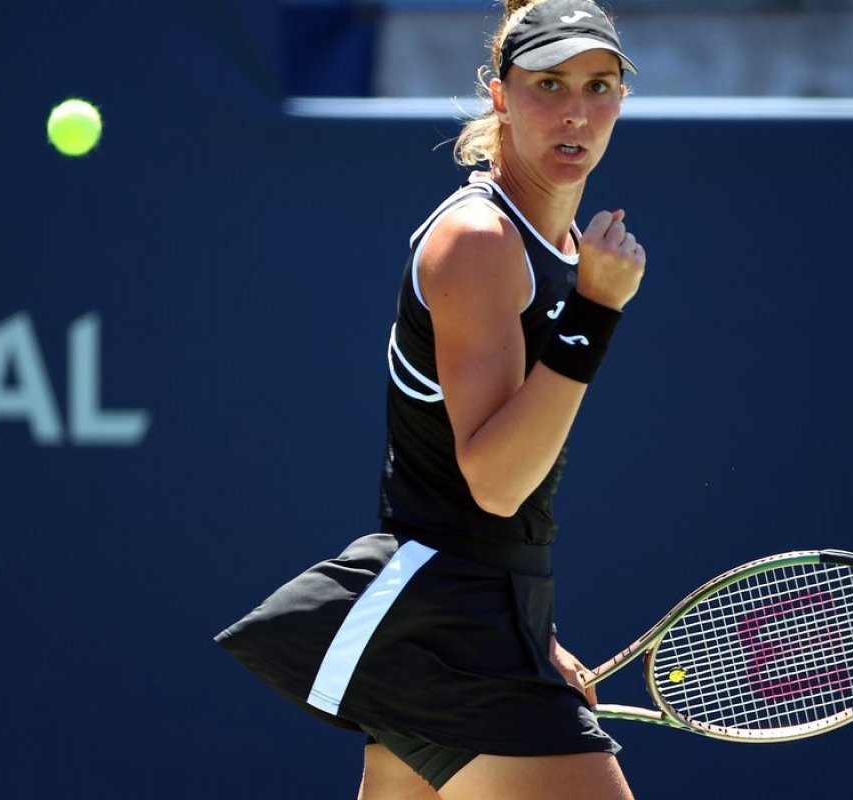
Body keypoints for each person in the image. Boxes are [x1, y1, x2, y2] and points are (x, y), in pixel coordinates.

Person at [216, 1, 646, 797]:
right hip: (452, 627)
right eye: (549, 84)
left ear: (622, 98)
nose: (576, 113)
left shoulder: (557, 245)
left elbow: (490, 499)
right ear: (500, 96)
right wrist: (595, 313)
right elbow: (495, 481)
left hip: (468, 616)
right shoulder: (480, 242)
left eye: (598, 86)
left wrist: (535, 635)